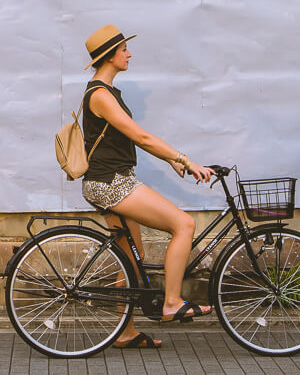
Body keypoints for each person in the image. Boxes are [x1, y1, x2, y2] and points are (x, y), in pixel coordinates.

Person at [79, 25, 216, 350]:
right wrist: (184, 159)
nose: (129, 54)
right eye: (124, 49)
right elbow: (140, 136)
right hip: (112, 183)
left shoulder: (106, 92)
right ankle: (171, 302)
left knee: (130, 262)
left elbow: (129, 139)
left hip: (107, 181)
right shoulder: (100, 94)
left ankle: (125, 333)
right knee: (183, 224)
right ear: (110, 55)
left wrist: (169, 160)